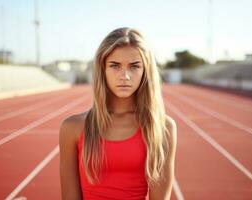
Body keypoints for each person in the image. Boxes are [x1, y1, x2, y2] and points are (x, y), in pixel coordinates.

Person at [59, 27, 177, 200]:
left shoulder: (163, 128)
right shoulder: (73, 128)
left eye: (134, 66)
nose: (125, 76)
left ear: (145, 71)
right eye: (115, 66)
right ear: (102, 70)